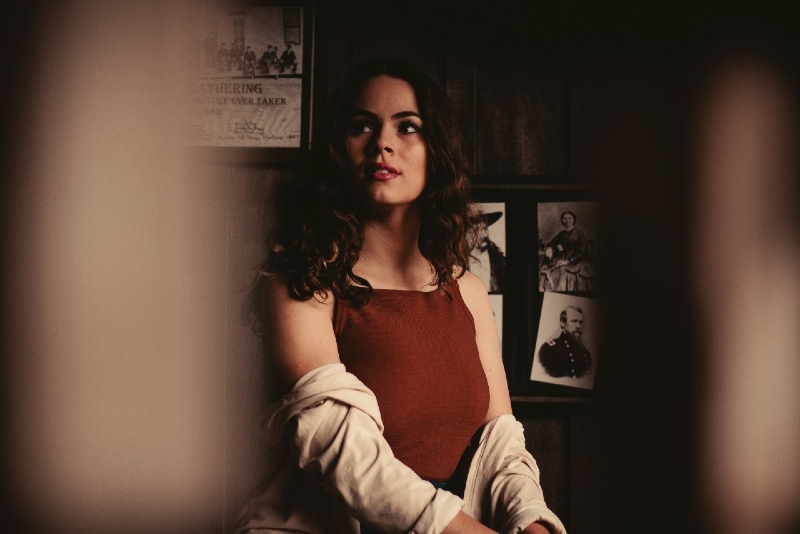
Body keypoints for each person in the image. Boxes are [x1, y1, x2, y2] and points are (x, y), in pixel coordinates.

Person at [230, 58, 566, 534]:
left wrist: (532, 524)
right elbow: (341, 448)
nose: (382, 143)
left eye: (408, 127)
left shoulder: (466, 290)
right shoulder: (302, 280)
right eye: (361, 126)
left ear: (437, 151)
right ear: (338, 151)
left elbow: (501, 444)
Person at [539, 210, 597, 292]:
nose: (567, 221)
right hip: (562, 257)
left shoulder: (579, 234)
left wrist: (568, 261)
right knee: (545, 262)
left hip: (577, 259)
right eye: (564, 219)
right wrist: (549, 248)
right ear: (562, 220)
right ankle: (541, 285)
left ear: (573, 220)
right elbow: (552, 242)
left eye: (569, 218)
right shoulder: (562, 234)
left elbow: (580, 252)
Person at [538, 306, 592, 379]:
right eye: (574, 321)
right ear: (563, 323)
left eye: (580, 322)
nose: (579, 326)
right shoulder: (549, 349)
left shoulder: (585, 352)